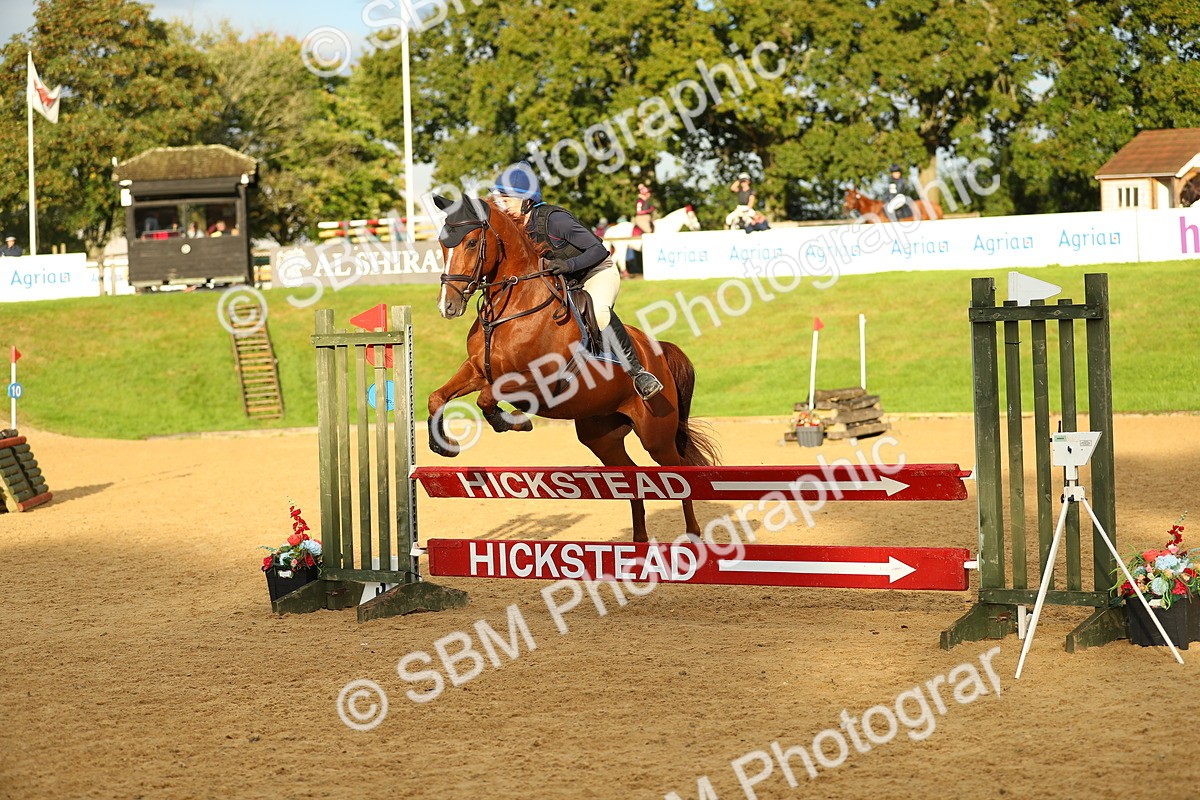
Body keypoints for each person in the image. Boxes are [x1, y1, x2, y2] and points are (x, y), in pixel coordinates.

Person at [491, 162, 663, 400]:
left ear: (526, 200)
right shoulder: (516, 227)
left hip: (596, 272)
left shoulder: (555, 220)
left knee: (599, 312)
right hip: (565, 280)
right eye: (500, 199)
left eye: (507, 199)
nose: (502, 204)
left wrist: (568, 265)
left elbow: (599, 250)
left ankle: (639, 373)